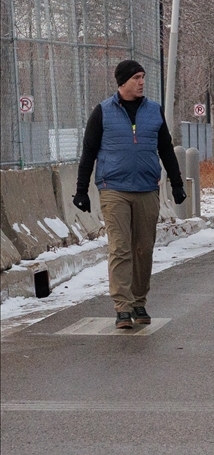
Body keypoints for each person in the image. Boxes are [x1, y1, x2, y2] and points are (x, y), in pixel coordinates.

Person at [73, 60, 187, 329]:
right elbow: (88, 152)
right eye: (136, 77)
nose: (141, 82)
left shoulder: (154, 111)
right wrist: (81, 190)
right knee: (120, 247)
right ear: (122, 82)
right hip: (113, 189)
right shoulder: (102, 112)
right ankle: (122, 307)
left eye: (143, 77)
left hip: (147, 189)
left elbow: (167, 150)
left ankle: (139, 301)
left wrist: (177, 183)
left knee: (143, 249)